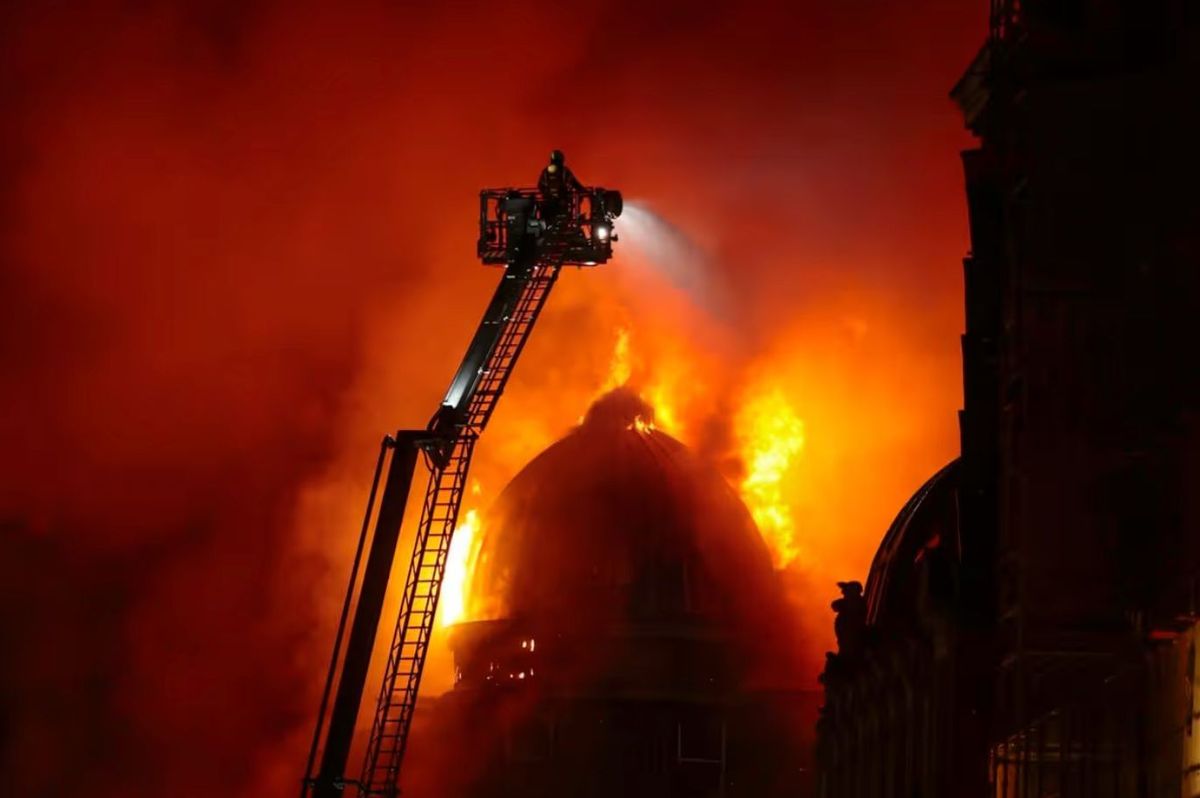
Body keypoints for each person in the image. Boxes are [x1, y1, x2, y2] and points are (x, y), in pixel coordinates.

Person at [537, 149, 584, 224]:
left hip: (548, 204)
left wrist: (547, 195)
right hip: (563, 204)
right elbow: (575, 184)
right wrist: (584, 192)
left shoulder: (545, 171)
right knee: (564, 220)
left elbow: (540, 186)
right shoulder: (565, 171)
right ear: (561, 160)